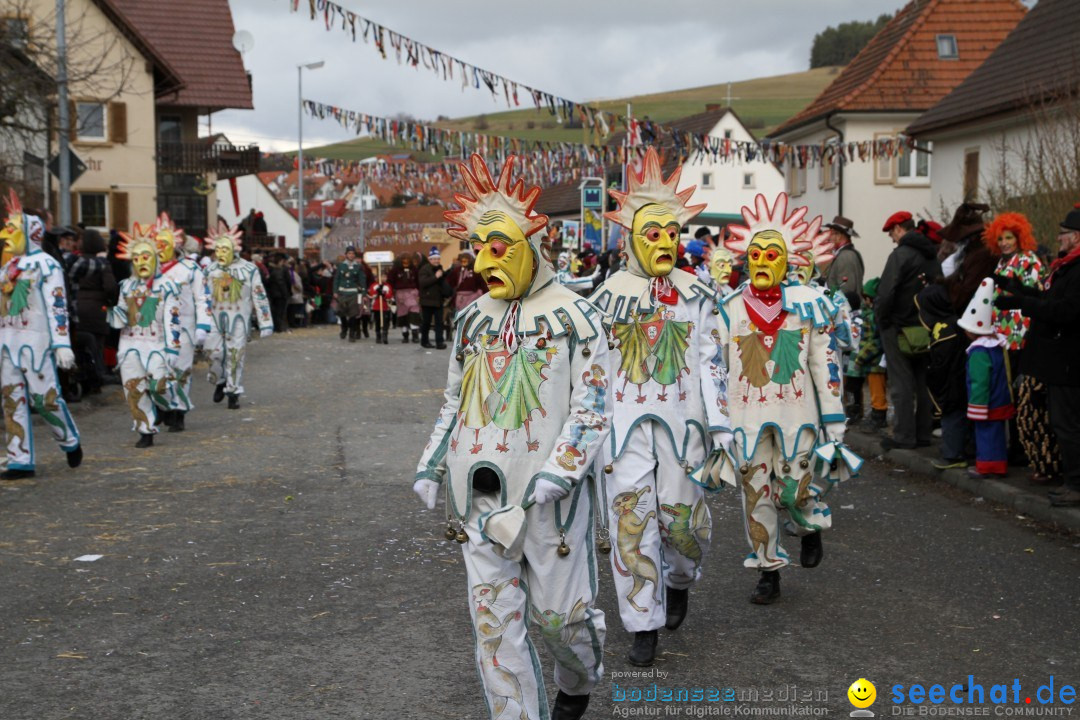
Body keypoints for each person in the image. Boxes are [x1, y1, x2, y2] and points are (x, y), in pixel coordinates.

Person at [413, 155, 610, 720]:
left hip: (550, 496)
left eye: (497, 246)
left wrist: (561, 471)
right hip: (480, 494)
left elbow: (592, 406)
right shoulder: (471, 320)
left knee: (561, 622)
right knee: (494, 625)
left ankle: (578, 679)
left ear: (530, 246)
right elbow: (454, 398)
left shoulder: (577, 317)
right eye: (477, 247)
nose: (482, 260)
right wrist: (431, 464)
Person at [589, 148, 731, 666]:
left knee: (681, 525)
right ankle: (641, 623)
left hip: (683, 428)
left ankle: (680, 579)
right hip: (624, 432)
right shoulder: (607, 297)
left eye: (672, 233)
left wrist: (722, 429)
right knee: (632, 524)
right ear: (631, 239)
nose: (665, 242)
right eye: (653, 234)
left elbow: (712, 362)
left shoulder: (698, 294)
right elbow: (593, 373)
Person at [717, 193, 855, 606]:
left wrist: (835, 421)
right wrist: (715, 422)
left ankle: (809, 523)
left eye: (771, 254)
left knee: (793, 490)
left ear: (787, 260)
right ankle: (767, 570)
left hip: (798, 418)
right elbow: (716, 369)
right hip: (746, 419)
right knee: (756, 496)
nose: (761, 262)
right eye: (755, 253)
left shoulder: (810, 306)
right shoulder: (728, 309)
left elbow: (825, 366)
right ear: (746, 258)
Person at [994, 205, 1080, 507]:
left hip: (1069, 361)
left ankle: (1074, 483)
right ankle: (1067, 478)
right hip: (1058, 360)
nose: (1059, 238)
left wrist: (1023, 303)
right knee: (1062, 422)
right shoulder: (1066, 267)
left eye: (1064, 234)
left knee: (1067, 424)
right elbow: (1049, 299)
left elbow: (1066, 311)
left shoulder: (1075, 270)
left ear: (1077, 237)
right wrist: (1018, 291)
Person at [0, 191, 82, 478]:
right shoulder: (4, 267)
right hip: (6, 343)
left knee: (44, 400)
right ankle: (19, 459)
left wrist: (62, 343)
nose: (6, 233)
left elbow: (57, 305)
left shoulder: (47, 264)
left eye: (12, 228)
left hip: (35, 342)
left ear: (29, 231)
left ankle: (69, 440)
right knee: (11, 400)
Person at [108, 224, 180, 448]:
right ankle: (145, 430)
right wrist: (113, 314)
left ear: (155, 258)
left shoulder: (167, 286)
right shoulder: (127, 286)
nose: (141, 262)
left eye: (146, 256)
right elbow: (120, 317)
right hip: (130, 345)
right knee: (134, 389)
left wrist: (172, 348)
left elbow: (172, 320)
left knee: (159, 385)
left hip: (157, 344)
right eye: (136, 258)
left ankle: (167, 406)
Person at [876, 211, 942, 451]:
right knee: (922, 381)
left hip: (898, 326)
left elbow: (885, 293)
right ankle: (923, 432)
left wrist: (882, 320)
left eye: (892, 233)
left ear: (899, 229)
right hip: (925, 326)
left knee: (901, 383)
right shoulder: (931, 256)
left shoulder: (900, 255)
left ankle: (904, 435)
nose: (892, 238)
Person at [202, 222, 272, 410]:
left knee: (235, 354)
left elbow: (259, 294)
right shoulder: (209, 270)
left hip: (238, 319)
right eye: (218, 249)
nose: (221, 253)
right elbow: (201, 296)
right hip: (215, 318)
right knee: (212, 352)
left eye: (225, 249)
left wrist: (265, 322)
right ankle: (219, 380)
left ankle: (233, 392)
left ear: (234, 249)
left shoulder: (248, 269)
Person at [152, 213, 211, 432]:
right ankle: (164, 404)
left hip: (183, 326)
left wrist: (203, 326)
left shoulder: (190, 269)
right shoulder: (150, 267)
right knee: (157, 370)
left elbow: (202, 297)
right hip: (156, 328)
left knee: (181, 370)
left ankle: (179, 412)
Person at [958, 279, 1014, 477]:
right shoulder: (996, 346)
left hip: (987, 402)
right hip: (1000, 398)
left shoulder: (979, 352)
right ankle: (999, 464)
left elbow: (979, 381)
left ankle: (987, 466)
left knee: (985, 434)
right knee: (997, 434)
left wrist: (977, 405)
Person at [69, 229, 117, 395]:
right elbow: (110, 287)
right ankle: (96, 380)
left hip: (77, 307)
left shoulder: (76, 261)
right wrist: (111, 301)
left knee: (81, 348)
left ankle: (83, 378)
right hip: (97, 309)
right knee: (97, 347)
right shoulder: (101, 264)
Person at [849, 278, 887, 428]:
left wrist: (861, 358)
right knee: (874, 389)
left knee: (877, 390)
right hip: (872, 362)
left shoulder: (872, 317)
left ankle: (879, 416)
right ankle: (876, 414)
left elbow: (874, 342)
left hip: (874, 362)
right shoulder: (870, 315)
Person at [822, 215, 864, 309]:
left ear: (839, 235)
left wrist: (824, 293)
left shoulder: (845, 256)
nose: (828, 238)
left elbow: (845, 290)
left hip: (845, 312)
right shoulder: (844, 254)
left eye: (831, 234)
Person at [417, 247, 447, 349]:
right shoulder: (424, 269)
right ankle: (424, 341)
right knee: (426, 323)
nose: (436, 261)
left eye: (438, 259)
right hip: (427, 300)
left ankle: (440, 342)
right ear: (430, 259)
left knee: (439, 323)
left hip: (438, 300)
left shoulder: (440, 268)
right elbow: (423, 283)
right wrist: (436, 277)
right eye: (434, 259)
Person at [386, 252, 420, 343]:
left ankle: (415, 334)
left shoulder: (414, 270)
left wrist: (419, 293)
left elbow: (418, 282)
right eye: (404, 260)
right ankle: (405, 335)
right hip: (400, 294)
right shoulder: (395, 270)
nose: (406, 262)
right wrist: (390, 293)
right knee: (402, 314)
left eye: (407, 260)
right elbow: (390, 282)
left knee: (414, 313)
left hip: (413, 293)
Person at [333, 247, 365, 342]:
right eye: (349, 253)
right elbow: (337, 279)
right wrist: (335, 291)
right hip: (342, 292)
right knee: (341, 312)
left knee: (353, 314)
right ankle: (344, 328)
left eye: (353, 253)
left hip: (353, 292)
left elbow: (362, 280)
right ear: (346, 254)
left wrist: (363, 292)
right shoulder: (341, 266)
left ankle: (352, 333)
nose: (351, 255)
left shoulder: (358, 266)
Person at [446, 251, 487, 317]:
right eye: (463, 258)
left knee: (470, 316)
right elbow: (449, 282)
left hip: (472, 297)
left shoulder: (476, 270)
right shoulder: (457, 270)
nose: (464, 260)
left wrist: (482, 294)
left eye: (466, 258)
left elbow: (482, 284)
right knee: (459, 317)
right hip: (459, 299)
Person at [368, 271, 393, 344]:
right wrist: (377, 292)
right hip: (376, 307)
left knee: (385, 322)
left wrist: (384, 294)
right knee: (378, 322)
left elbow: (390, 295)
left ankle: (385, 335)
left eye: (385, 277)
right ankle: (378, 336)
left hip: (385, 307)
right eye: (382, 277)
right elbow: (372, 294)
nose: (383, 278)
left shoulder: (387, 286)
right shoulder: (374, 285)